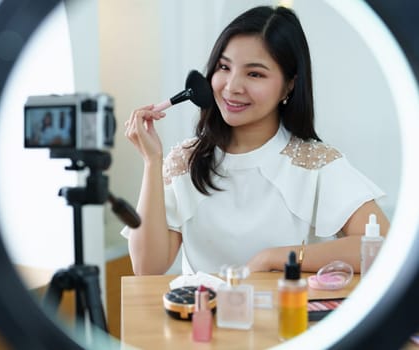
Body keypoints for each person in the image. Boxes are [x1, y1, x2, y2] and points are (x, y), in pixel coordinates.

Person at [122, 5, 390, 276]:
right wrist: (151, 161)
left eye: (255, 74)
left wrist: (274, 258)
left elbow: (380, 246)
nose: (232, 87)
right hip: (204, 316)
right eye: (224, 67)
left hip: (290, 316)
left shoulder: (316, 163)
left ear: (289, 85)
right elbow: (147, 268)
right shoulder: (184, 162)